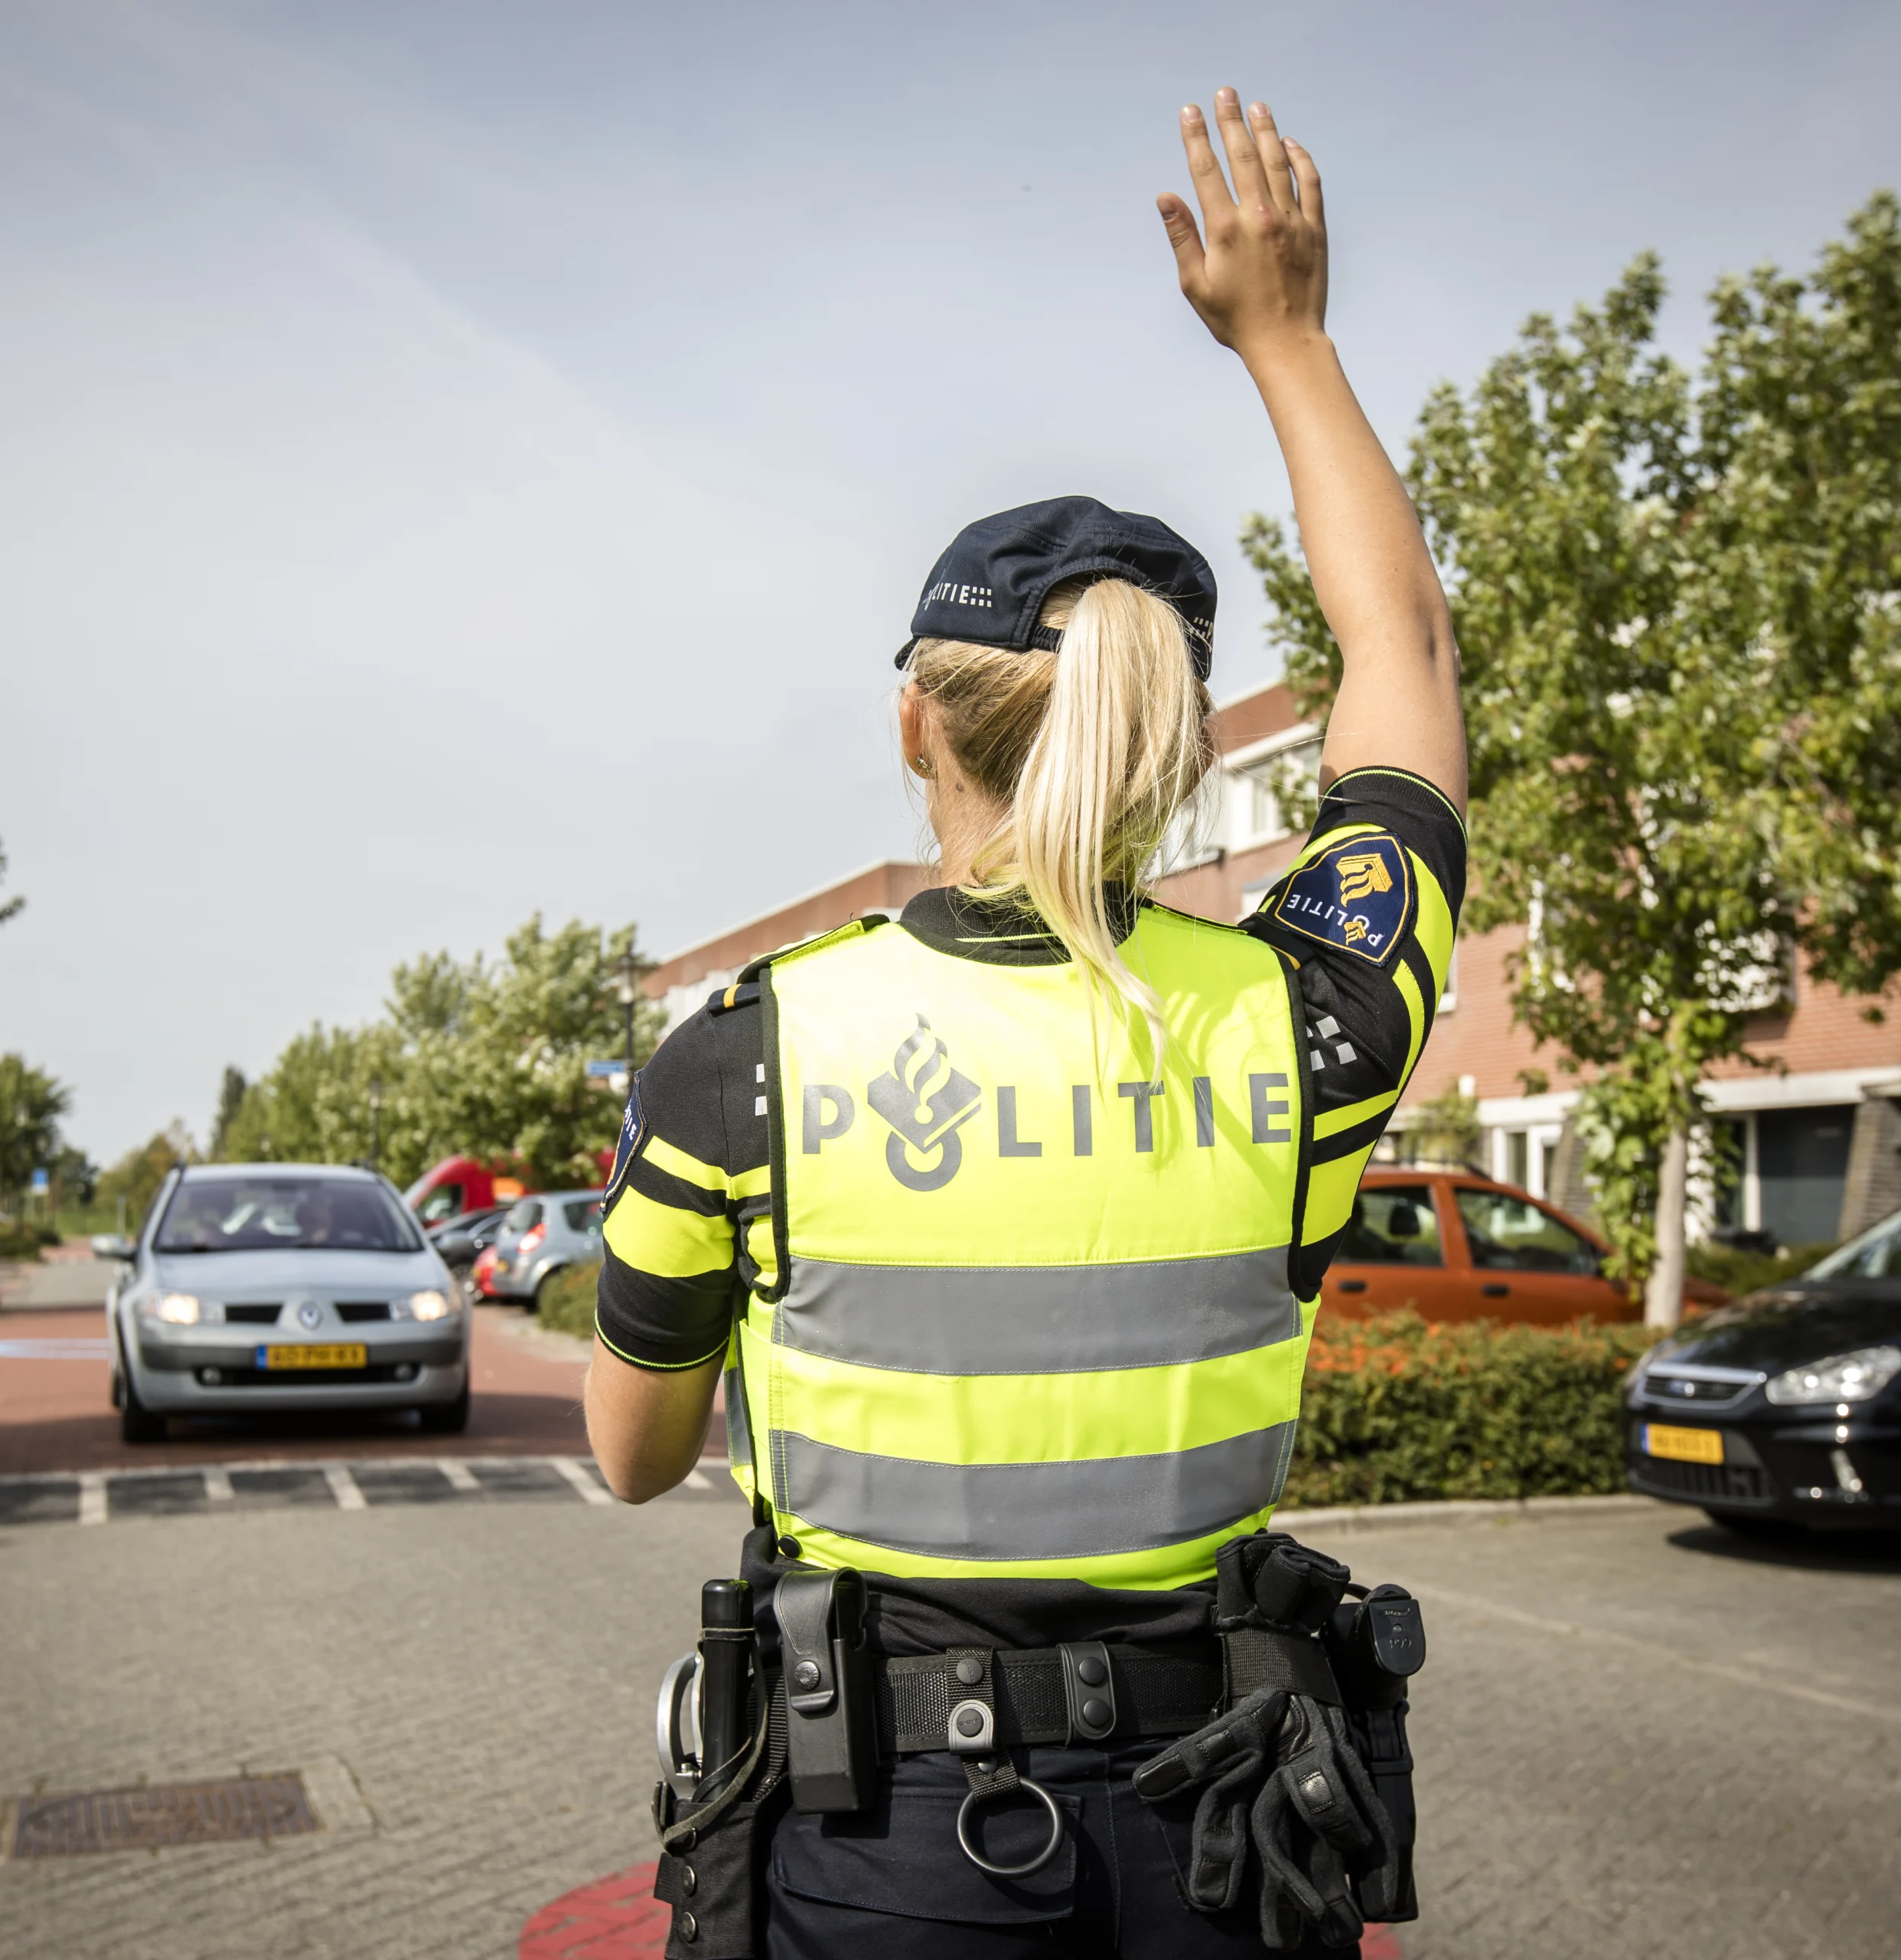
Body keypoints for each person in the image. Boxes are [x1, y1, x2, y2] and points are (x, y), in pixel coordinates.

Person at [585, 86, 1468, 1958]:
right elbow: (1406, 661)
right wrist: (1288, 340)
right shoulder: (1297, 1024)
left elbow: (635, 1451)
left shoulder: (743, 1063)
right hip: (1223, 1844)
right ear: (1166, 743)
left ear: (917, 723)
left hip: (884, 1844)